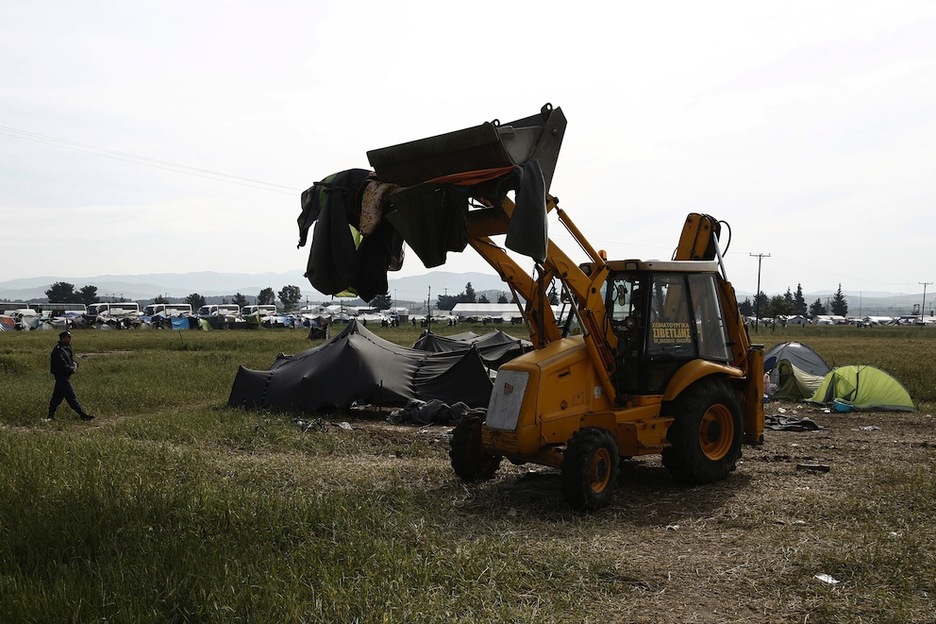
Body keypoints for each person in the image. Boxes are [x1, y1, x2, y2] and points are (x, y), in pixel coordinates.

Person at [46, 331, 94, 421]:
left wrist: (75, 365)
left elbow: (72, 361)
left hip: (65, 377)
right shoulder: (58, 350)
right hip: (62, 377)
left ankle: (50, 416)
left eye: (70, 337)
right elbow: (62, 365)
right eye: (68, 337)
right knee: (71, 397)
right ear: (63, 338)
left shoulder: (67, 349)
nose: (70, 339)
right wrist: (72, 369)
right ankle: (83, 415)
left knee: (57, 398)